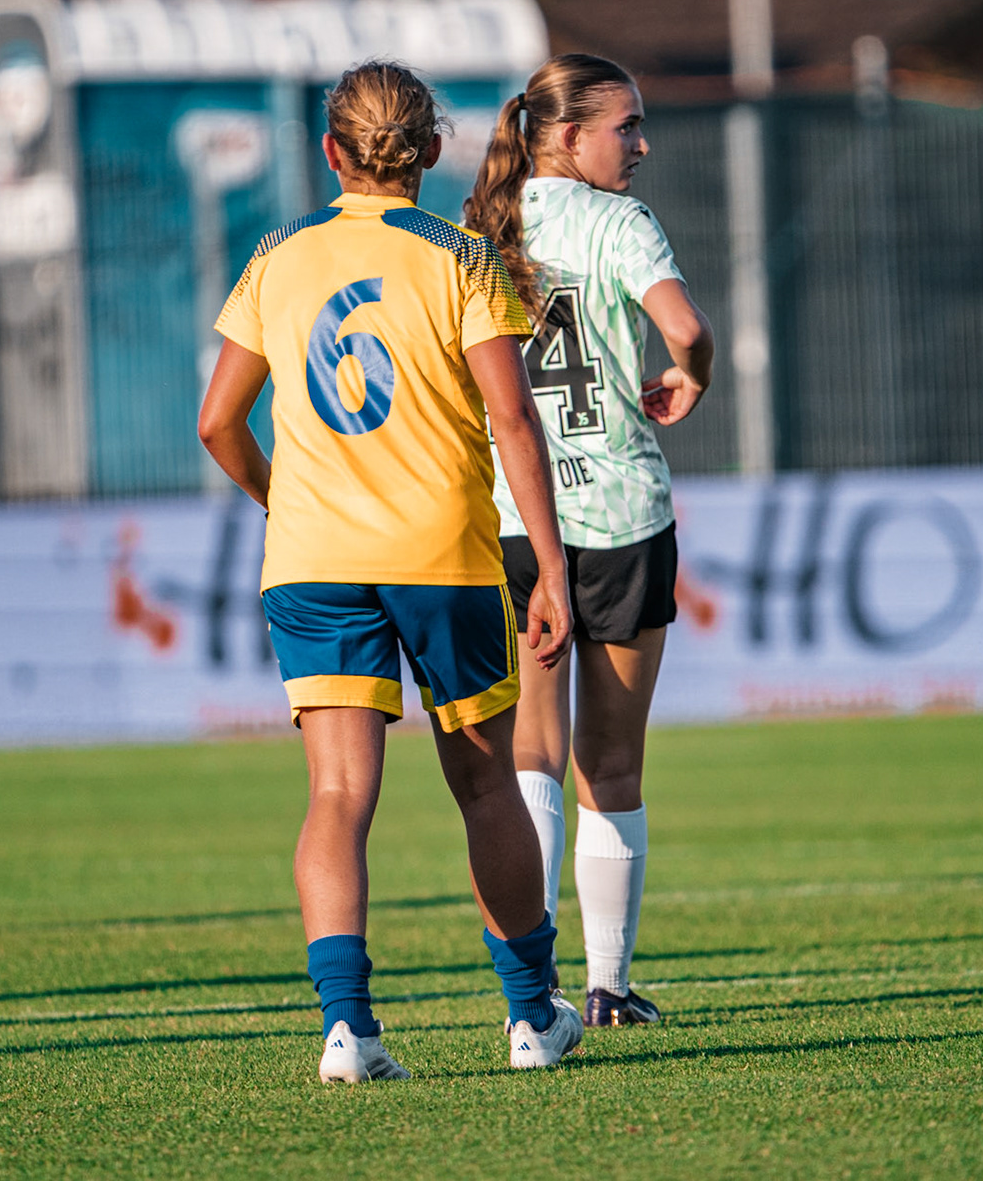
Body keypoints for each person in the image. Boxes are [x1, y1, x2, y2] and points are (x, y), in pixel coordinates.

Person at [197, 60, 585, 1082]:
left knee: (337, 792)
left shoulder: (277, 253)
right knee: (486, 783)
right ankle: (531, 1018)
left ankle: (348, 1031)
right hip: (441, 557)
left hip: (314, 561)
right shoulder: (462, 257)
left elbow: (217, 422)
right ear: (432, 150)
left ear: (330, 151)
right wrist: (549, 567)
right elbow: (513, 419)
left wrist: (281, 500)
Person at [465, 54, 716, 1027]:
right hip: (619, 516)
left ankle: (535, 991)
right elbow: (684, 327)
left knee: (529, 751)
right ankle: (609, 986)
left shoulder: (481, 226)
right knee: (611, 762)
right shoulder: (620, 223)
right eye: (627, 126)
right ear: (568, 137)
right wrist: (693, 374)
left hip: (514, 516)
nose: (641, 143)